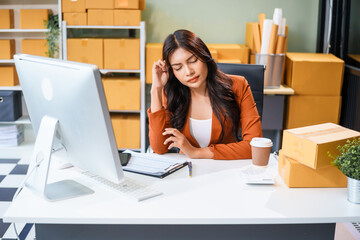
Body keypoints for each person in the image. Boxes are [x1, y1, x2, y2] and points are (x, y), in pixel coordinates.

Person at [147, 29, 262, 160]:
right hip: (187, 171)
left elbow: (255, 146)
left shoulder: (238, 86)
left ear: (204, 56)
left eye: (193, 60)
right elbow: (159, 148)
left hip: (226, 169)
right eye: (178, 68)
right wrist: (156, 89)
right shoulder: (172, 93)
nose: (188, 71)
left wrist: (196, 152)